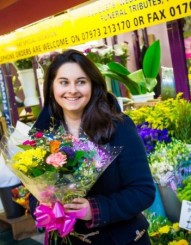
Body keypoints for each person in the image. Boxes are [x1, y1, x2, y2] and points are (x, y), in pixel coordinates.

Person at [29, 49, 156, 244]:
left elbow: (143, 191)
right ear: (51, 87)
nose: (72, 90)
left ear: (93, 85)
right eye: (64, 82)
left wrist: (94, 209)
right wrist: (43, 206)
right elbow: (33, 192)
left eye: (81, 81)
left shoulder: (117, 127)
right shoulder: (42, 134)